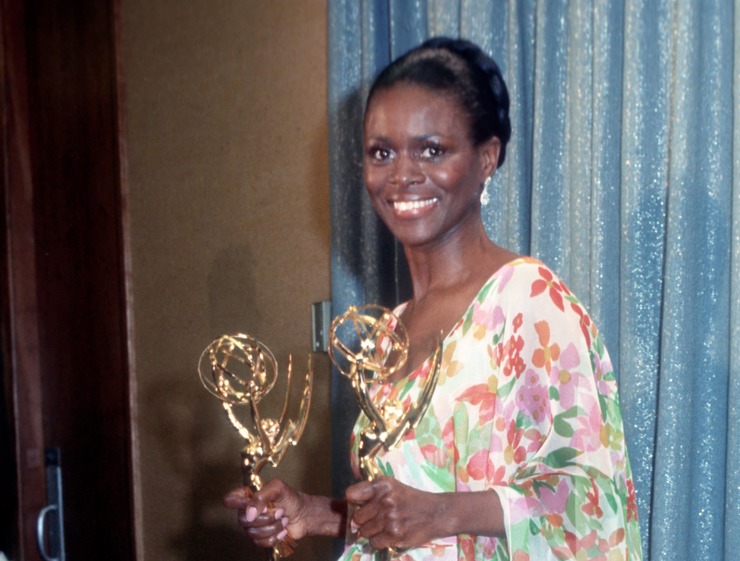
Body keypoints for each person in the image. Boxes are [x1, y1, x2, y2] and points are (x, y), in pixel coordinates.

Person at [224, 36, 643, 560]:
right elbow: (406, 509)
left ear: (487, 157)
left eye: (431, 149)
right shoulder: (388, 333)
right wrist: (312, 512)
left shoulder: (528, 301)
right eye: (382, 152)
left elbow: (591, 502)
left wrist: (439, 512)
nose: (402, 174)